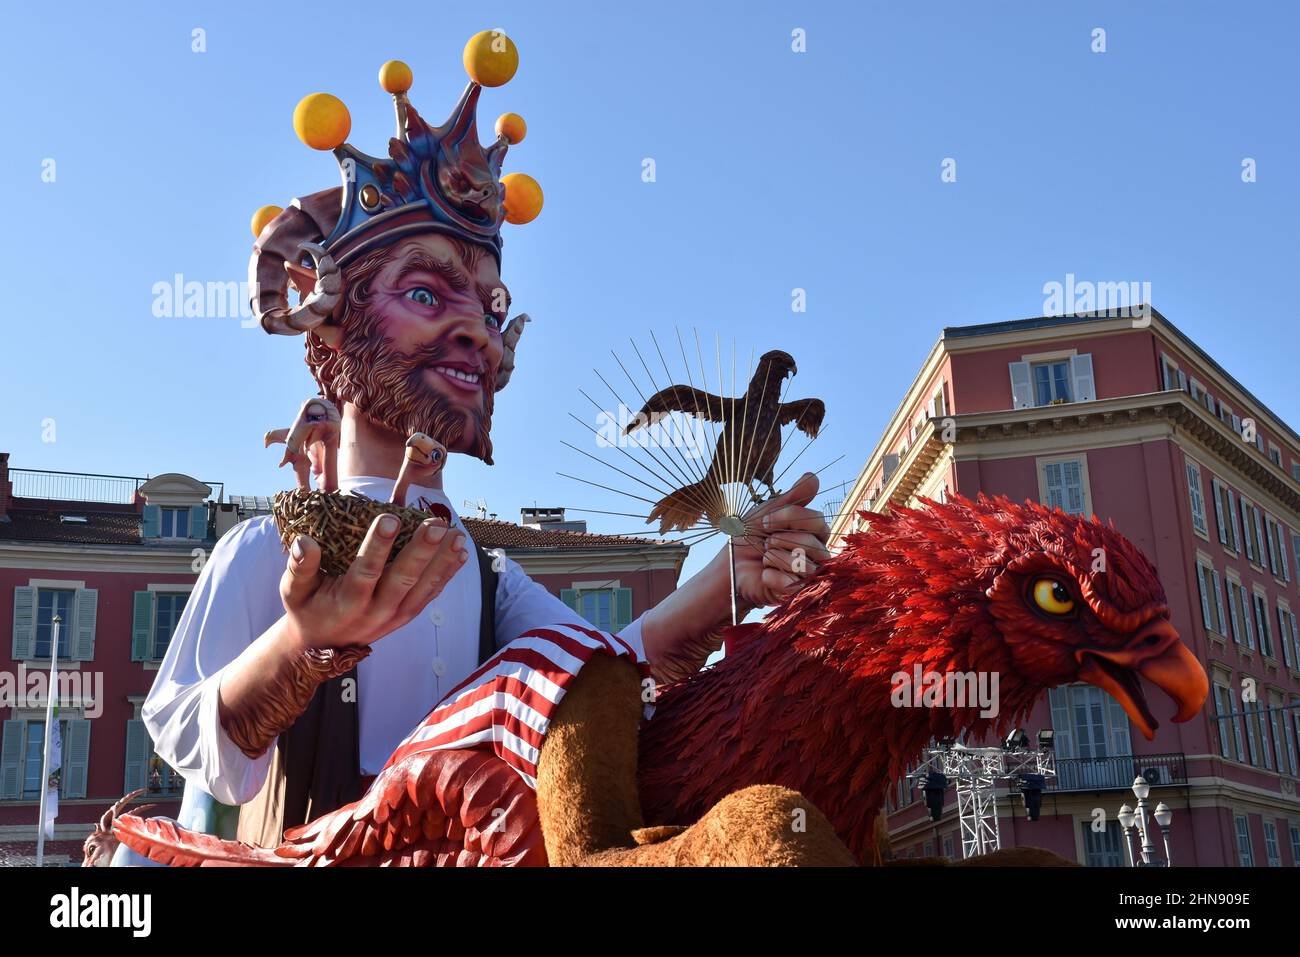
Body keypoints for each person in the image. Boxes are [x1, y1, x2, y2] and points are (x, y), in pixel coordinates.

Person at [141, 36, 830, 849]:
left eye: (490, 303)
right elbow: (188, 735)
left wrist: (727, 580)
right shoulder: (268, 547)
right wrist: (301, 646)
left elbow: (605, 670)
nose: (480, 331)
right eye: (429, 290)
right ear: (335, 326)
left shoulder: (488, 574)